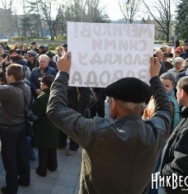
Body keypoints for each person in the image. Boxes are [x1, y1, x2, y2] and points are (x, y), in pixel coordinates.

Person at [46, 52, 171, 194]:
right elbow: (165, 108)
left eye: (110, 100)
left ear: (115, 103)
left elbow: (55, 110)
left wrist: (62, 73)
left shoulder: (98, 132)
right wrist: (155, 78)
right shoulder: (158, 130)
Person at [0, 63, 31, 194]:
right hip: (21, 126)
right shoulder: (25, 86)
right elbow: (10, 84)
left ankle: (11, 187)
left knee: (9, 159)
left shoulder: (9, 90)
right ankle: (25, 179)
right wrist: (2, 75)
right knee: (21, 155)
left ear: (11, 76)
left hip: (9, 129)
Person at [159, 76, 188, 193]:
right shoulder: (185, 114)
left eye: (177, 89)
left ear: (183, 92)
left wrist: (161, 177)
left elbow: (182, 163)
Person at [31, 75, 59, 177]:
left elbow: (35, 114)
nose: (40, 84)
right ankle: (53, 166)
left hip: (43, 127)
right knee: (52, 148)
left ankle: (42, 170)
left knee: (43, 149)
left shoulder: (41, 98)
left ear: (44, 84)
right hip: (55, 126)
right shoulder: (56, 95)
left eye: (41, 82)